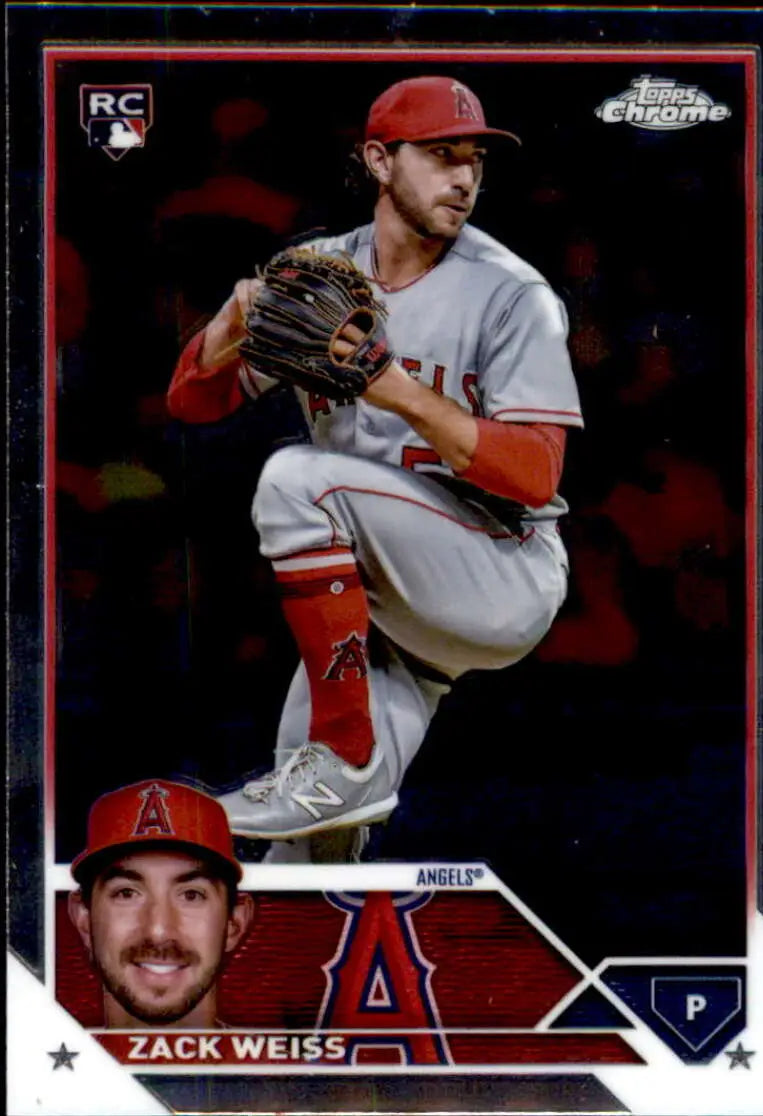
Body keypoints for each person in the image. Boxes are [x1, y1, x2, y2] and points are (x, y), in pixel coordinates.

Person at [167, 75, 583, 854]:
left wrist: (398, 391)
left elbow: (537, 476)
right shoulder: (322, 274)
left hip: (498, 568)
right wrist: (228, 323)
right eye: (440, 154)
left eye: (474, 160)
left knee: (296, 478)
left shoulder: (510, 293)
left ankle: (351, 756)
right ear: (379, 160)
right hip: (384, 599)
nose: (463, 177)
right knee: (307, 831)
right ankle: (334, 812)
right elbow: (193, 403)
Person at [68, 778, 253, 1028]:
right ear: (83, 918)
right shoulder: (29, 1066)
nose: (158, 931)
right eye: (127, 893)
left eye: (191, 895)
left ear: (235, 922)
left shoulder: (292, 1068)